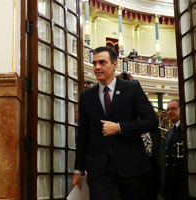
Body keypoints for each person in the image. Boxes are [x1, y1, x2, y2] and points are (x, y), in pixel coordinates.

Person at [72, 46, 158, 200]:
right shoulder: (86, 97)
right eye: (95, 63)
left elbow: (151, 122)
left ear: (114, 64)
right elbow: (83, 136)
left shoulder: (132, 89)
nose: (97, 67)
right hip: (99, 169)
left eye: (102, 62)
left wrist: (119, 127)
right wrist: (78, 170)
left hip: (132, 165)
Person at [164, 99, 184, 200]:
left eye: (173, 108)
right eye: (168, 109)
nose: (170, 112)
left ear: (181, 109)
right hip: (170, 180)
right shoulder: (169, 132)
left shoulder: (187, 129)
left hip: (183, 179)